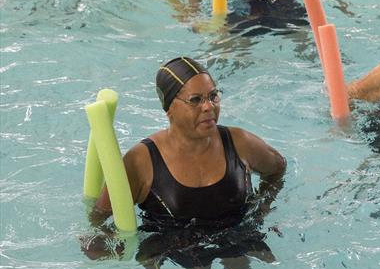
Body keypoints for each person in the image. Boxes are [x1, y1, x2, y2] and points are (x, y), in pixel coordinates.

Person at [93, 56, 286, 230]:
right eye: (195, 100)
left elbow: (277, 168)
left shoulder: (240, 143)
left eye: (213, 96)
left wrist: (262, 206)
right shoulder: (141, 161)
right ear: (169, 108)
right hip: (170, 253)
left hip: (237, 236)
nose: (208, 107)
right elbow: (99, 218)